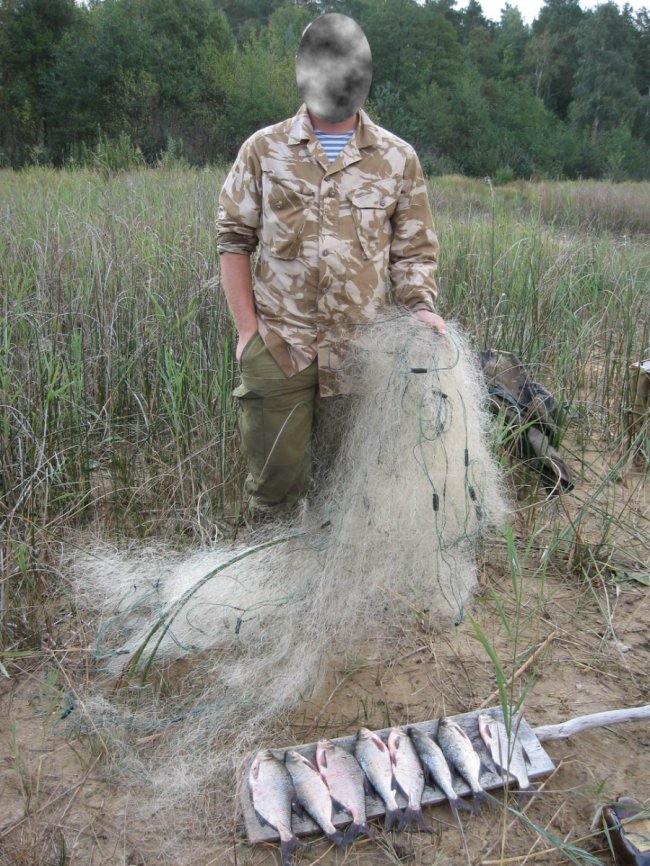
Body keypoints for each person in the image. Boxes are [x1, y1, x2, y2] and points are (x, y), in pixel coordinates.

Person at [216, 13, 445, 517]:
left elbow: (414, 250)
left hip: (363, 355)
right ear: (306, 70)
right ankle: (272, 584)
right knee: (274, 492)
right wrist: (247, 332)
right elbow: (233, 240)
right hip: (280, 348)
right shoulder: (264, 149)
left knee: (348, 493)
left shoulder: (397, 158)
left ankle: (331, 588)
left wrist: (420, 307)